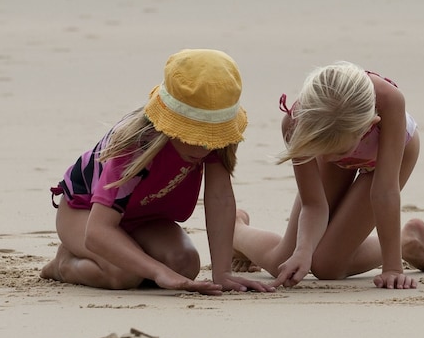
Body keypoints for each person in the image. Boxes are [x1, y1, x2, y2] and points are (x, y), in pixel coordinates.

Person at [41, 49, 275, 296]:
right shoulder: (135, 145)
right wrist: (157, 271)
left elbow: (220, 198)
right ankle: (64, 263)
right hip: (86, 212)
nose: (203, 147)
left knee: (184, 265)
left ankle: (129, 253)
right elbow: (98, 231)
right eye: (193, 135)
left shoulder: (214, 141)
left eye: (211, 137)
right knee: (122, 274)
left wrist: (223, 273)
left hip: (144, 216)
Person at [232, 61, 424, 289]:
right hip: (339, 143)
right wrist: (303, 250)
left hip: (393, 152)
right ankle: (236, 229)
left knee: (327, 266)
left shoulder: (390, 100)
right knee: (283, 261)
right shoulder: (296, 124)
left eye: (336, 152)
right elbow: (314, 204)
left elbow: (384, 193)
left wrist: (392, 268)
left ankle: (407, 241)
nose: (325, 160)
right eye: (321, 152)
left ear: (368, 126)